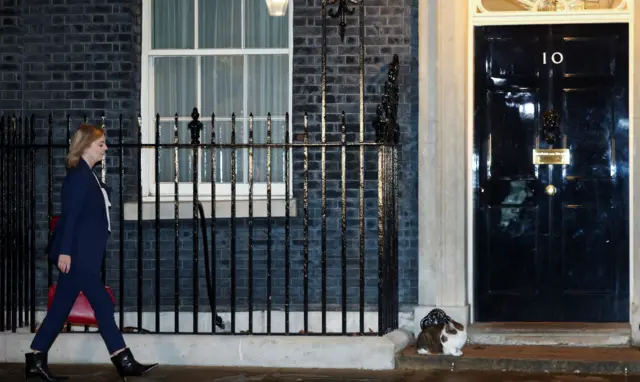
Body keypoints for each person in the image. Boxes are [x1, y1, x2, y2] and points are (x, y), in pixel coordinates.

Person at [25, 124, 158, 382]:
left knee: (60, 309)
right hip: (77, 256)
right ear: (86, 146)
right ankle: (124, 360)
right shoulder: (78, 176)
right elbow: (70, 217)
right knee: (102, 303)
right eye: (100, 144)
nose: (105, 148)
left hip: (83, 254)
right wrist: (65, 252)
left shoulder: (88, 174)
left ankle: (36, 360)